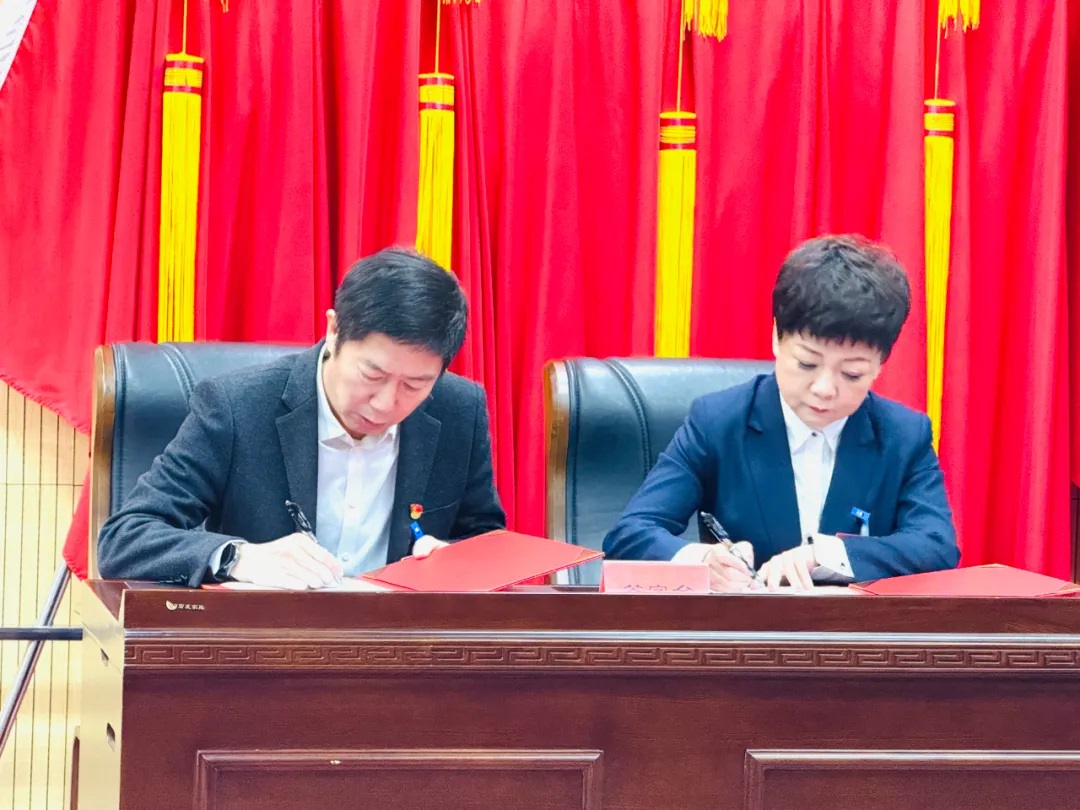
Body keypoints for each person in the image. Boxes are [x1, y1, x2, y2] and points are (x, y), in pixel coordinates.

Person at [98, 247, 505, 589]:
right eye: (372, 375)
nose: (386, 404)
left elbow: (485, 539)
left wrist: (454, 559)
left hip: (404, 646)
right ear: (334, 330)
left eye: (414, 385)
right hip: (268, 645)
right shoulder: (237, 407)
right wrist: (240, 558)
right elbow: (125, 538)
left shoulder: (458, 410)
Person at [602, 234, 959, 591]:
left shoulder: (903, 435)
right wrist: (703, 561)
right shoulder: (718, 422)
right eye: (807, 364)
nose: (824, 389)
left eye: (851, 374)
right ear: (776, 337)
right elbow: (630, 535)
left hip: (853, 626)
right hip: (746, 622)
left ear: (881, 363)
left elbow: (937, 547)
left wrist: (827, 555)